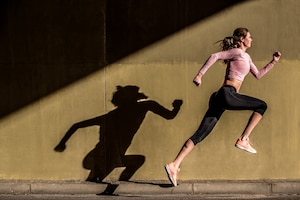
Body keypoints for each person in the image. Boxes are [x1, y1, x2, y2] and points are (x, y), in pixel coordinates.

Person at [164, 27, 281, 187]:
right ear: (241, 39)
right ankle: (244, 139)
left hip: (222, 98)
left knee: (200, 135)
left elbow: (258, 75)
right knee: (262, 106)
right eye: (249, 37)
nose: (252, 39)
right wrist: (200, 75)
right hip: (227, 93)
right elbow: (215, 56)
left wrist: (273, 62)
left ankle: (174, 165)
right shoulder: (237, 52)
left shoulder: (246, 57)